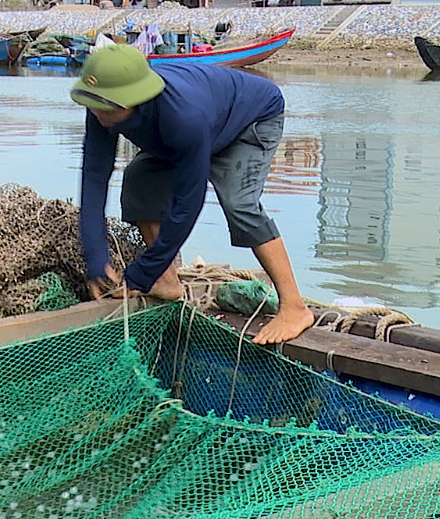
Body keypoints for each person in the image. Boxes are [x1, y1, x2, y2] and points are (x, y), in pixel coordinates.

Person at [71, 45, 314, 345]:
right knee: (139, 179)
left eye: (106, 106)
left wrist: (139, 274)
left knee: (240, 204)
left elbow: (187, 204)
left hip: (250, 119)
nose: (97, 112)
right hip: (200, 124)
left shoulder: (183, 116)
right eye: (93, 104)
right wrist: (96, 259)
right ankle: (167, 278)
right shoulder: (103, 104)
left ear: (134, 99)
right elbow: (94, 177)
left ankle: (294, 305)